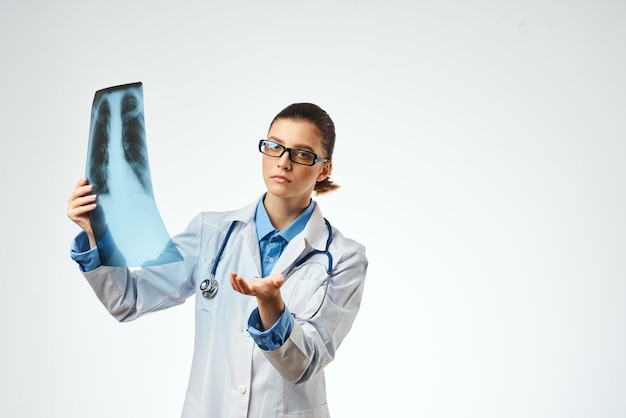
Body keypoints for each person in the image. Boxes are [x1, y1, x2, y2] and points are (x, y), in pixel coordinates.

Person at [67, 102, 368, 418]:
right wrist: (94, 234)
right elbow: (130, 299)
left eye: (302, 154)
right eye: (274, 147)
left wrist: (272, 308)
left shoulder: (344, 258)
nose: (283, 162)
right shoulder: (210, 232)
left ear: (324, 168)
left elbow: (304, 364)